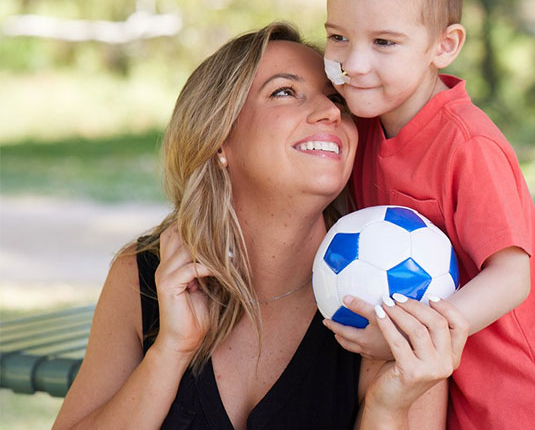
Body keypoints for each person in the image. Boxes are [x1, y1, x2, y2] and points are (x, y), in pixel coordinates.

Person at [52, 22, 468, 430]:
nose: (329, 112)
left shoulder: (403, 286)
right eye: (285, 92)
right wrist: (170, 352)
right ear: (219, 137)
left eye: (336, 99)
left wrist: (387, 405)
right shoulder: (145, 276)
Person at [321, 0, 535, 430]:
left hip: (519, 400)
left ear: (444, 46)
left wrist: (407, 334)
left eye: (384, 42)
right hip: (441, 390)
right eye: (338, 36)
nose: (353, 63)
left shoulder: (468, 145)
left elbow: (512, 277)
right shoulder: (360, 129)